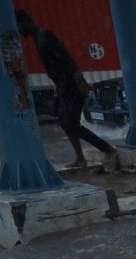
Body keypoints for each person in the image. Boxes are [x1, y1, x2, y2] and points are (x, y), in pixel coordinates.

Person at [15, 9, 117, 170]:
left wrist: (76, 79)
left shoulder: (44, 36)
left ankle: (108, 149)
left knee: (70, 122)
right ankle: (80, 157)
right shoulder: (39, 38)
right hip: (63, 85)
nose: (19, 30)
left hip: (70, 85)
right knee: (64, 121)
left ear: (25, 21)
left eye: (19, 25)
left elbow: (65, 57)